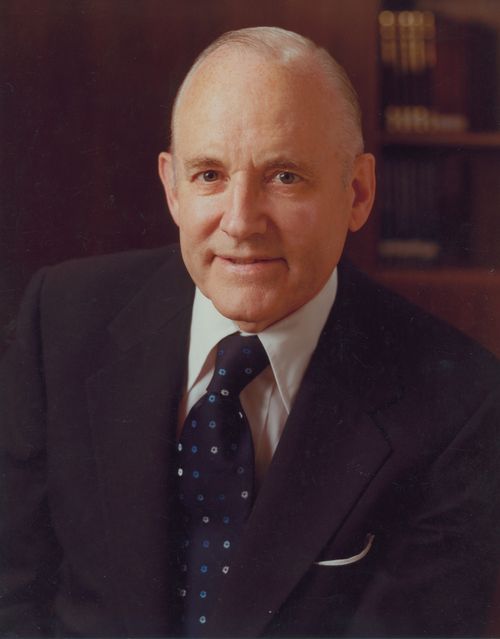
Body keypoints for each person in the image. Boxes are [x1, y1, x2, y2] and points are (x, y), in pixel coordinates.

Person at [1, 26, 499, 638]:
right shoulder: (62, 321)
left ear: (358, 192)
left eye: (284, 176)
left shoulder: (462, 401)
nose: (240, 222)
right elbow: (11, 595)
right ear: (172, 188)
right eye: (209, 174)